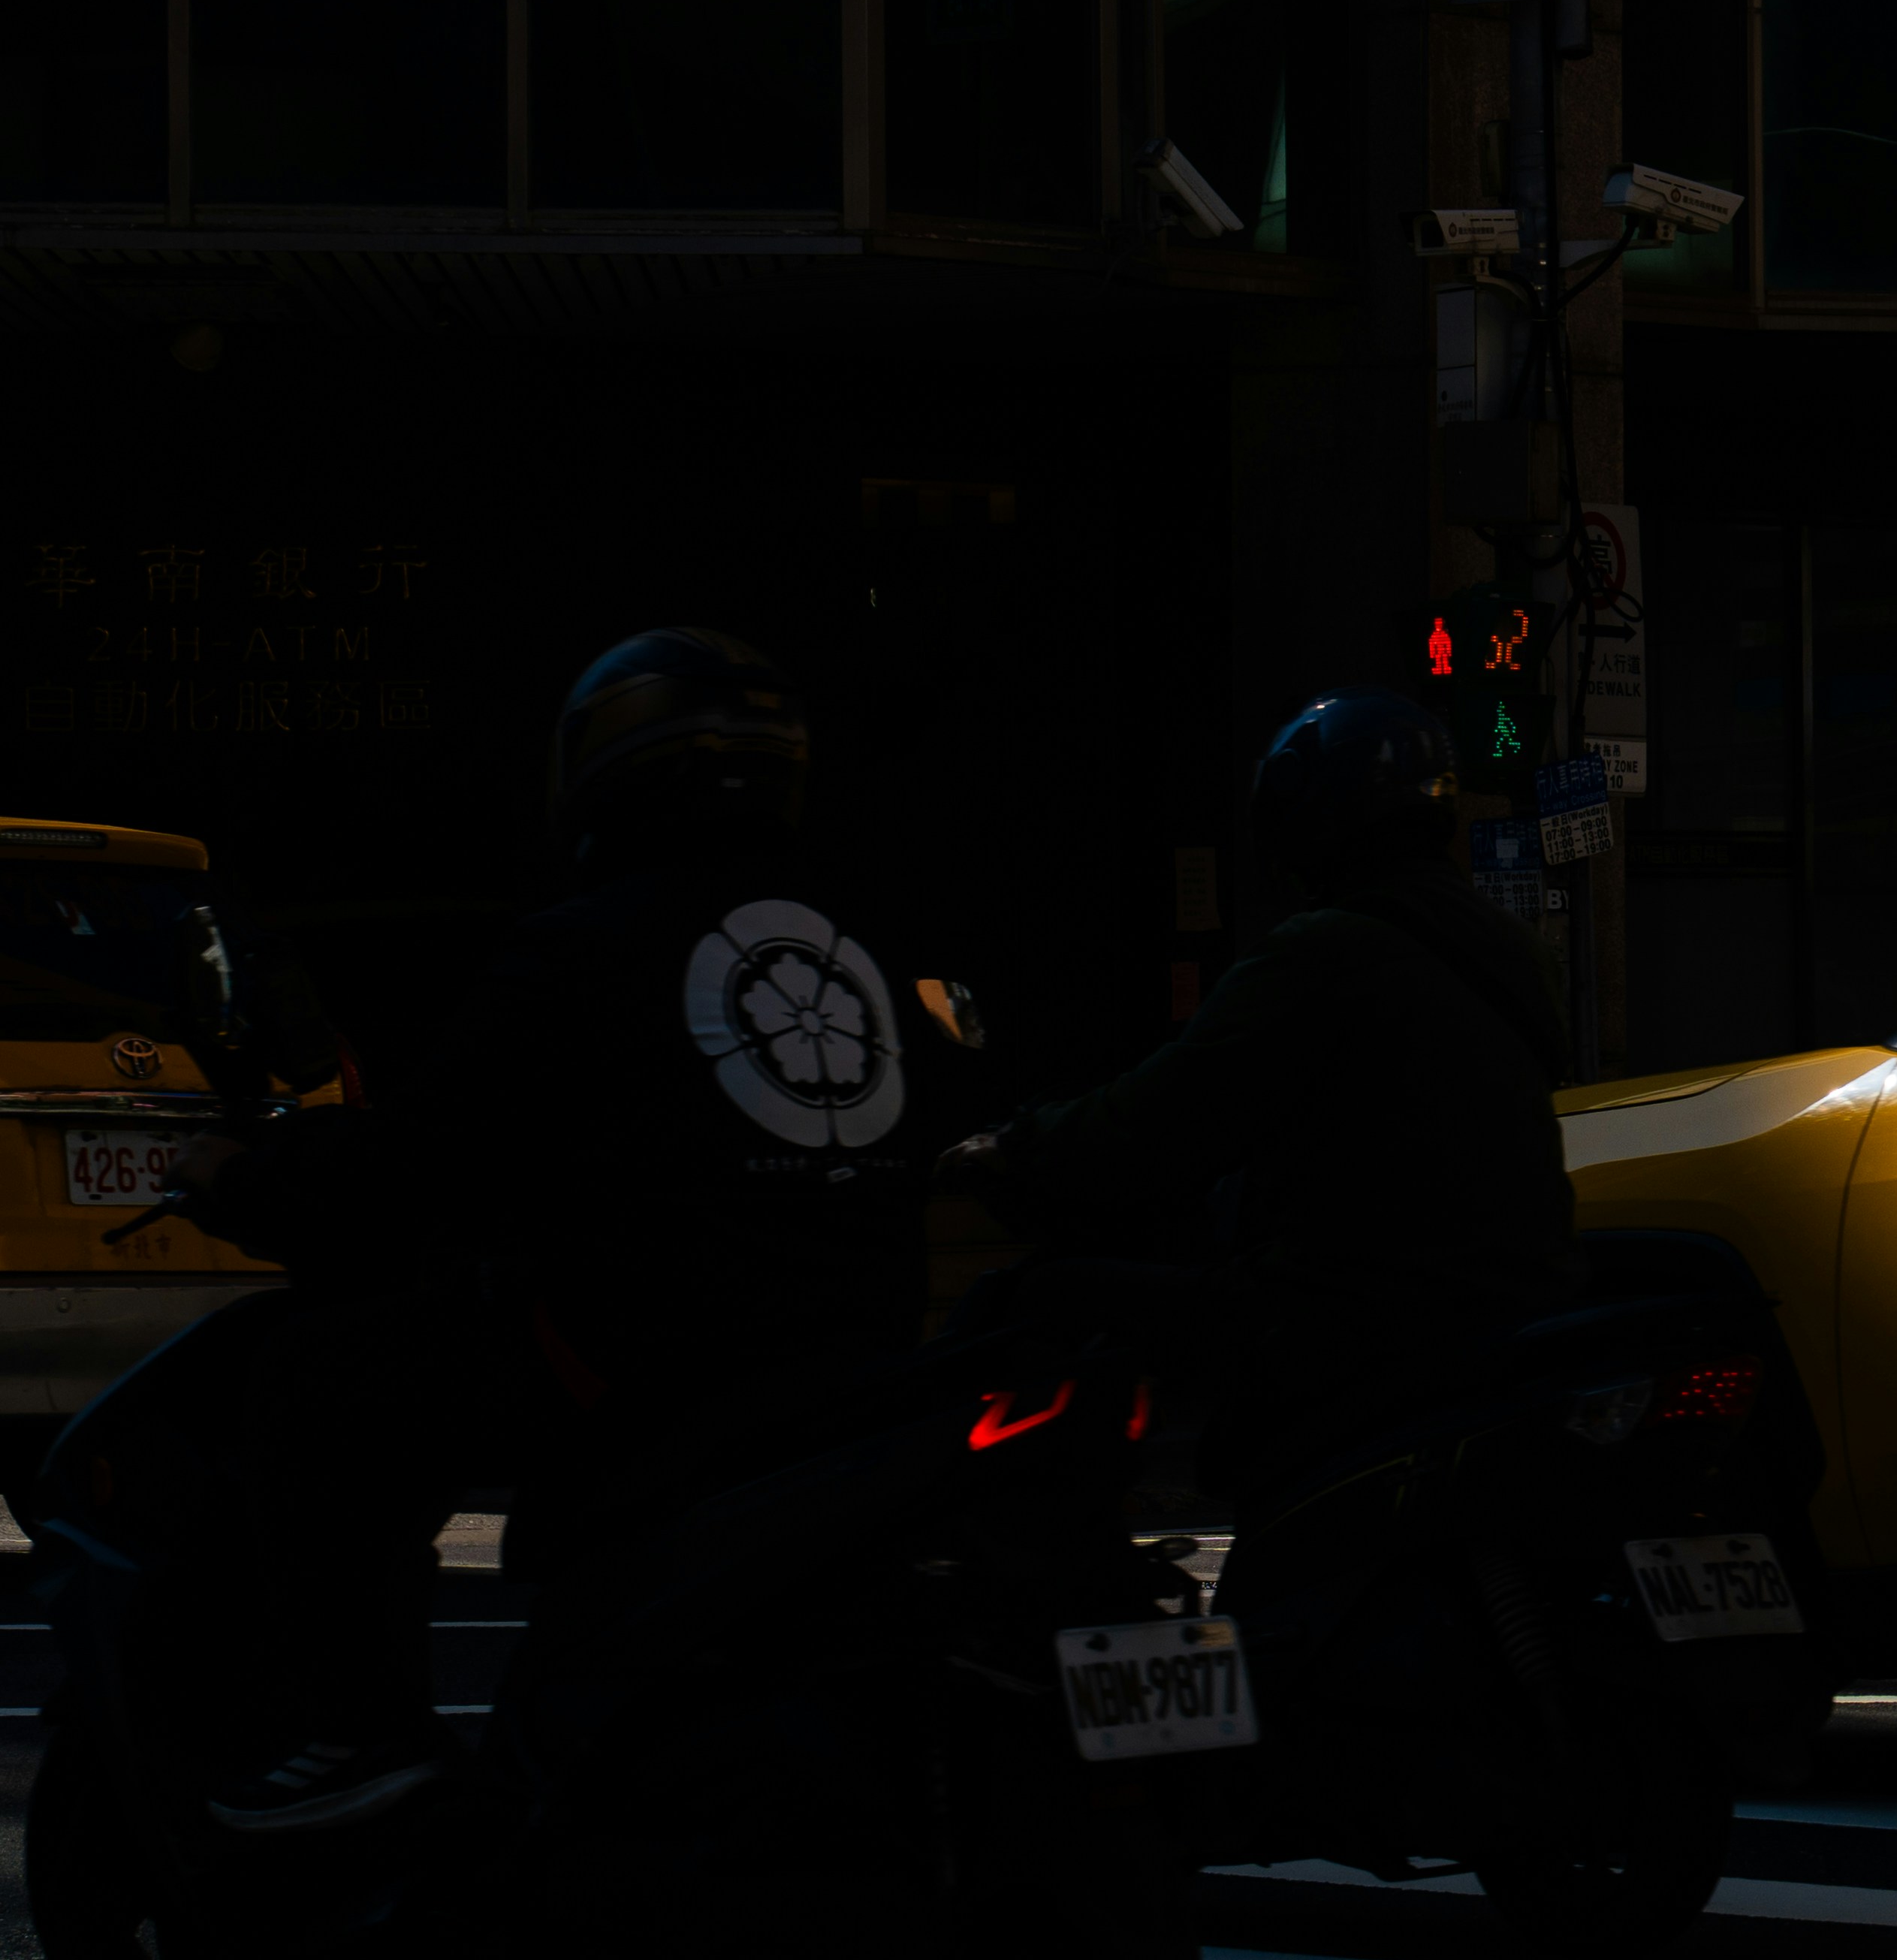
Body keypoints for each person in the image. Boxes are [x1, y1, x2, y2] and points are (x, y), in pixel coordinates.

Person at [183, 628, 973, 1824]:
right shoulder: (862, 947)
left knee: (309, 1381)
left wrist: (249, 1179)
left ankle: (358, 1729)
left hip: (642, 1353)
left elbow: (429, 1158)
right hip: (857, 1352)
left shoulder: (589, 944)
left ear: (607, 772)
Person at [937, 689, 1573, 1467]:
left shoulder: (1324, 952)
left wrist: (1017, 1146)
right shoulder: (1515, 950)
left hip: (1357, 1316)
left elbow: (1156, 1128)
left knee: (1031, 1302)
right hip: (1506, 1309)